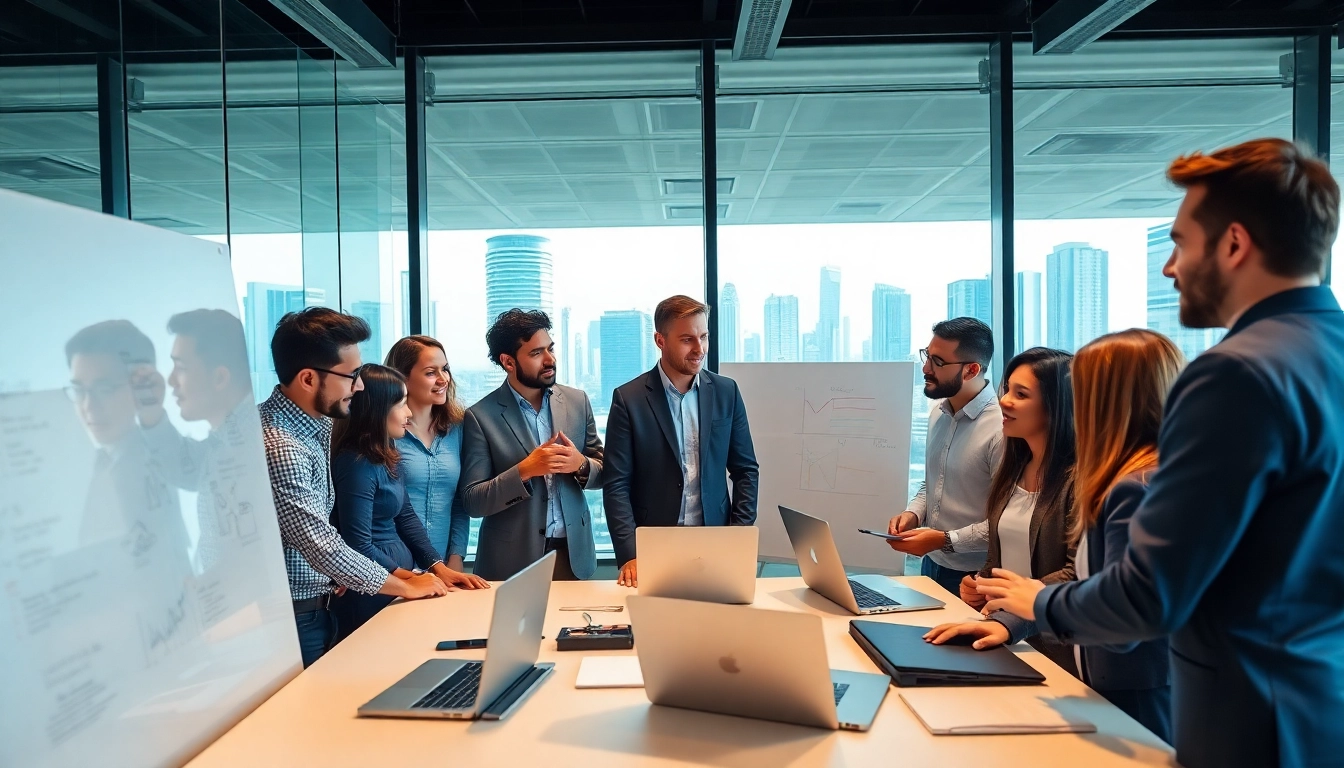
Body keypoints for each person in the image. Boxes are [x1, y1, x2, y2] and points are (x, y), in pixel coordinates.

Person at [973, 139, 1344, 768]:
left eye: (1180, 243)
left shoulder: (1235, 373)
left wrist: (1034, 602)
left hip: (1252, 724)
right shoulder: (1326, 352)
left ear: (1233, 244)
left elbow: (1149, 597)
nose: (1170, 268)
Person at [925, 329, 1184, 743]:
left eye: (1084, 388)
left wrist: (1029, 603)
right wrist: (997, 596)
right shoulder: (1136, 475)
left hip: (1124, 683)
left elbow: (1121, 609)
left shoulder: (1128, 484)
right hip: (1073, 660)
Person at [260, 307, 448, 667]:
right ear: (308, 379)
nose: (359, 386)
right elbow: (322, 545)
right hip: (296, 618)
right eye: (351, 376)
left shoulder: (316, 426)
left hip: (322, 604)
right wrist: (407, 584)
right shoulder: (282, 446)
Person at [604, 295, 759, 588]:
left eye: (704, 337)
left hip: (716, 541)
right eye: (687, 339)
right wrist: (630, 554)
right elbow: (616, 484)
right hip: (654, 545)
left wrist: (738, 535)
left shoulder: (726, 392)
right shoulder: (629, 399)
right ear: (660, 340)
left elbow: (746, 471)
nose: (699, 349)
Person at [330, 365, 488, 636]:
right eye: (401, 404)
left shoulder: (386, 453)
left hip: (396, 578)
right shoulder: (356, 463)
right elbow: (358, 544)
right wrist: (410, 579)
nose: (409, 413)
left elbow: (406, 516)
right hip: (373, 588)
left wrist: (438, 567)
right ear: (377, 410)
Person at [460, 309, 605, 581]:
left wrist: (581, 464)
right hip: (511, 560)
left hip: (573, 554)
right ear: (508, 362)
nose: (550, 359)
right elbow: (473, 501)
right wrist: (525, 470)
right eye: (536, 353)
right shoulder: (480, 417)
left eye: (550, 348)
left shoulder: (578, 401)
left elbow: (606, 471)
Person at [965, 347, 1077, 674]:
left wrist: (1011, 610)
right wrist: (981, 584)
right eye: (1007, 389)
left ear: (1056, 406)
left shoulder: (1079, 481)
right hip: (1011, 638)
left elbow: (1075, 573)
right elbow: (1000, 555)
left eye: (1021, 394)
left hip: (1059, 648)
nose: (1004, 401)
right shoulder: (1014, 467)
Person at [885, 318, 1003, 596]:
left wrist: (943, 540)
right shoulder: (938, 414)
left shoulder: (1001, 429)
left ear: (971, 370)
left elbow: (1006, 521)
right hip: (931, 563)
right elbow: (934, 482)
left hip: (976, 576)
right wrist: (913, 513)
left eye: (938, 362)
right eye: (927, 356)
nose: (926, 368)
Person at [136, 309, 259, 573]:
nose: (170, 381)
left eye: (180, 367)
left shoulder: (257, 446)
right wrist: (151, 412)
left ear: (220, 378)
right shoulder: (230, 439)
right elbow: (188, 469)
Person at [65, 320, 187, 559]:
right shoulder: (77, 467)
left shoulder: (159, 461)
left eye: (105, 389)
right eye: (79, 390)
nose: (88, 406)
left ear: (142, 385)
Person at [385, 336, 472, 571]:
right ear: (402, 377)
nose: (443, 379)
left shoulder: (458, 429)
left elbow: (460, 501)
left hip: (443, 569)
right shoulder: (386, 432)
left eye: (445, 369)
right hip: (394, 568)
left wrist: (456, 557)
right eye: (431, 372)